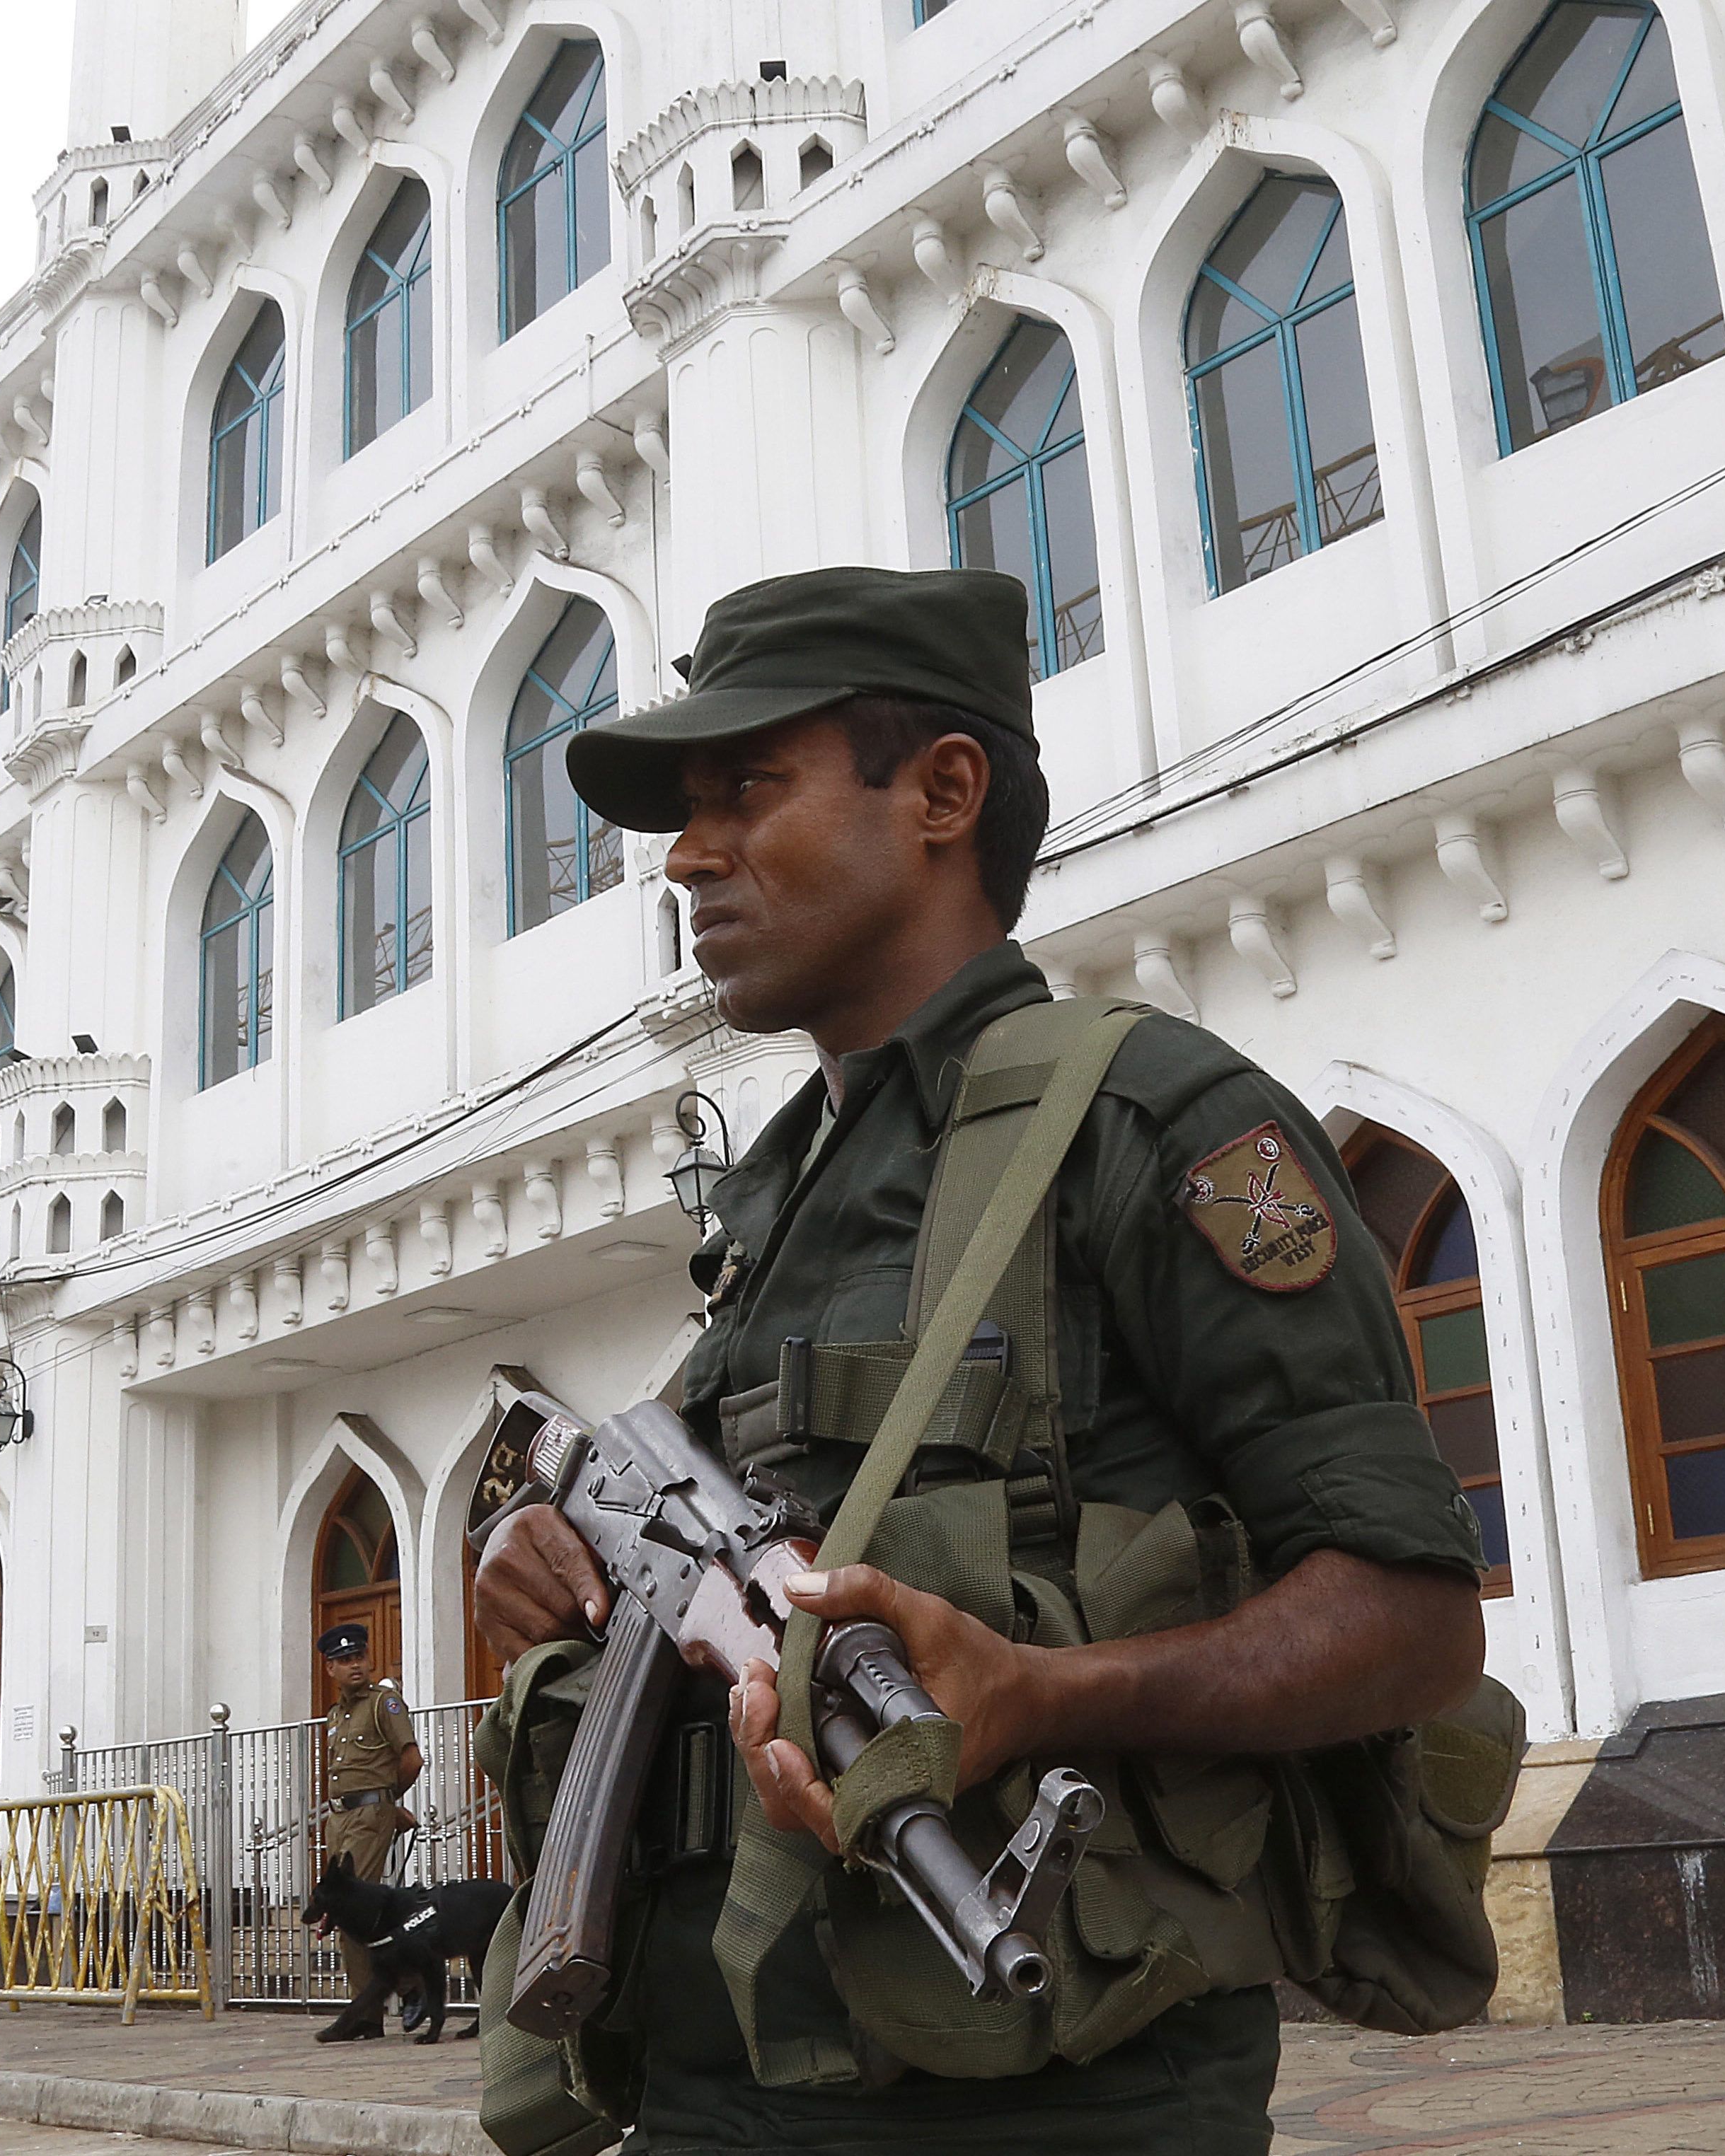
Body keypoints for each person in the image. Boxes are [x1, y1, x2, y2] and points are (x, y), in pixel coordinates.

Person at [469, 566, 1487, 2152]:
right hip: (711, 2084)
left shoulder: (1148, 1126)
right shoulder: (777, 1193)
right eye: (684, 807)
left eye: (746, 787)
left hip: (1054, 2097)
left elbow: (1410, 1619)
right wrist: (550, 1559)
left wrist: (1040, 1694)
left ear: (942, 791)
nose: (684, 854)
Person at [307, 1622, 419, 2044]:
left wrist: (388, 1803)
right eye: (344, 1660)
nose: (355, 1666)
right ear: (330, 1669)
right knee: (351, 1913)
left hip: (370, 1816)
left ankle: (401, 1992)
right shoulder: (337, 1715)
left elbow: (411, 1758)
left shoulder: (383, 1704)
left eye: (359, 1657)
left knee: (352, 1908)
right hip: (340, 1818)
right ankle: (374, 2011)